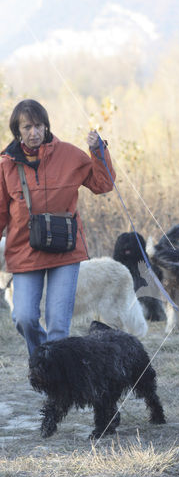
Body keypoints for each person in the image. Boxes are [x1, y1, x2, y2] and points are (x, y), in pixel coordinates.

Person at [0, 99, 116, 356]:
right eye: (28, 127)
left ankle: (55, 381)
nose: (34, 132)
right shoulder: (6, 164)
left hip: (65, 250)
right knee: (24, 318)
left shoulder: (69, 155)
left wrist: (98, 151)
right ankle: (44, 362)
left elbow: (103, 184)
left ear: (46, 126)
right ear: (17, 130)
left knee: (58, 326)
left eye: (39, 126)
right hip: (24, 251)